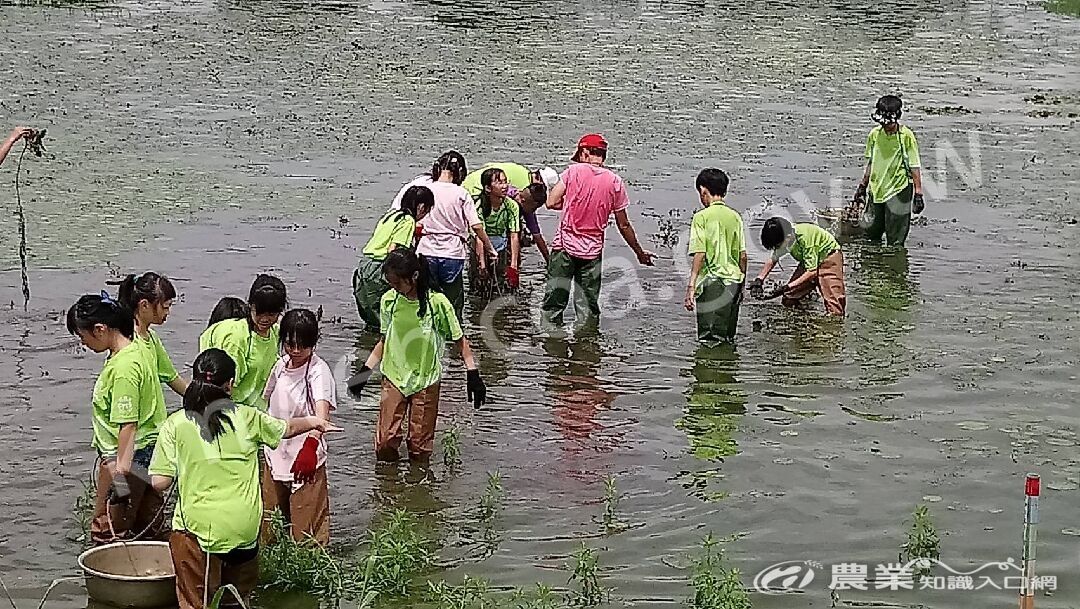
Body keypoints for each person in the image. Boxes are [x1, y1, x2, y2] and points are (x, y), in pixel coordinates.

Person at [149, 348, 339, 609]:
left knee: (196, 602)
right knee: (236, 601)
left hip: (200, 532)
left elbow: (160, 483)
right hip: (245, 531)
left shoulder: (176, 424)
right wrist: (316, 421)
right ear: (230, 385)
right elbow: (288, 428)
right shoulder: (248, 417)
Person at [346, 248, 487, 463]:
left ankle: (419, 488)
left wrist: (473, 374)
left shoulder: (437, 303)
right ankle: (389, 488)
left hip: (425, 380)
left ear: (414, 276)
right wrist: (364, 373)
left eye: (397, 283)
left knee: (419, 448)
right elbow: (384, 341)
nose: (394, 288)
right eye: (390, 283)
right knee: (385, 443)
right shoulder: (389, 301)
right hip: (393, 377)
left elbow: (460, 340)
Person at [67, 292, 165, 544]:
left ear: (100, 329)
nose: (83, 343)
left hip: (126, 458)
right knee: (148, 523)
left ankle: (108, 580)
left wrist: (119, 474)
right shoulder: (139, 348)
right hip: (149, 451)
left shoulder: (123, 370)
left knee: (107, 530)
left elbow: (128, 425)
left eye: (82, 336)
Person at [541, 134, 655, 327]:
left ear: (584, 152)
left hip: (564, 248)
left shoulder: (572, 172)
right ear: (603, 156)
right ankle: (586, 349)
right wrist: (639, 253)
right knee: (588, 307)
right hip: (592, 252)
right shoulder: (615, 182)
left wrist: (570, 203)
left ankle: (553, 349)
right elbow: (624, 224)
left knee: (553, 304)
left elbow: (551, 202)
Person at [261, 309, 335, 545]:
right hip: (275, 455)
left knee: (307, 532)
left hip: (306, 460)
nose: (294, 351)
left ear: (313, 344)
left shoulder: (318, 371)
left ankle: (309, 575)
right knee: (270, 526)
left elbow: (322, 414)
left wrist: (311, 445)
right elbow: (265, 401)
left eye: (301, 346)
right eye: (289, 344)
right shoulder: (281, 366)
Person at [414, 151, 496, 321]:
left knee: (427, 300)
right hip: (452, 254)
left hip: (426, 252)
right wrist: (490, 249)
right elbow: (477, 226)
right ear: (460, 172)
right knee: (453, 305)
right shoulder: (461, 194)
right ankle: (453, 341)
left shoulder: (426, 190)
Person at [200, 275, 287, 409]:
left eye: (271, 314)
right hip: (233, 410)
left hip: (257, 412)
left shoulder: (275, 332)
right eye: (259, 312)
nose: (265, 319)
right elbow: (222, 386)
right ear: (251, 306)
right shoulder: (236, 337)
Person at [354, 185, 434, 332]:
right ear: (421, 207)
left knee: (370, 315)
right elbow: (394, 250)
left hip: (364, 265)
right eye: (428, 210)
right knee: (384, 316)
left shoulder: (390, 216)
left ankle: (367, 346)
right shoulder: (408, 221)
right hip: (380, 267)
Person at [683, 169, 747, 344]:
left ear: (703, 191)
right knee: (728, 337)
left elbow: (700, 254)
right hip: (734, 281)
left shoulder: (701, 217)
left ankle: (710, 370)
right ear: (724, 191)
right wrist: (742, 284)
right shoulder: (735, 217)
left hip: (713, 283)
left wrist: (691, 285)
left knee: (709, 340)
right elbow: (742, 256)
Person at [853, 95, 924, 247]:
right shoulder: (874, 135)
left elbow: (914, 165)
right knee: (870, 235)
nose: (886, 126)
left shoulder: (906, 137)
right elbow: (871, 162)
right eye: (883, 123)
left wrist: (918, 193)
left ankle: (895, 267)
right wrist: (862, 187)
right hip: (876, 189)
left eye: (889, 124)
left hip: (899, 190)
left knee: (895, 240)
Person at [463, 162, 559, 262]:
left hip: (471, 183)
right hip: (475, 191)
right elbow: (531, 225)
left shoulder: (523, 174)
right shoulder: (525, 190)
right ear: (540, 182)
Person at [750, 217, 846, 316]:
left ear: (788, 237)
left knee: (835, 308)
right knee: (788, 298)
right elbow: (773, 259)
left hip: (828, 258)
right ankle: (801, 319)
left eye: (778, 246)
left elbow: (812, 272)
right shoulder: (785, 238)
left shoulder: (805, 238)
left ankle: (833, 328)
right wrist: (759, 279)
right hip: (808, 262)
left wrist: (786, 287)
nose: (777, 249)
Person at [115, 272, 188, 398]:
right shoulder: (128, 343)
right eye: (165, 307)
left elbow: (173, 378)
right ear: (144, 305)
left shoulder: (152, 338)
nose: (168, 312)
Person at [469, 167, 521, 293]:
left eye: (505, 182)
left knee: (501, 282)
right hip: (480, 243)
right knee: (479, 283)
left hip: (500, 243)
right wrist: (481, 263)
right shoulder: (479, 206)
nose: (504, 186)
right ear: (488, 188)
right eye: (499, 183)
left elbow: (514, 235)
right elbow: (479, 236)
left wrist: (513, 265)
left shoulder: (511, 205)